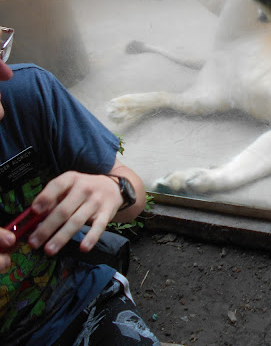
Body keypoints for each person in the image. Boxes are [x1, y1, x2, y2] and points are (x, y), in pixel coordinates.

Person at [0, 26, 164, 346]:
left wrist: (116, 189)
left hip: (71, 304)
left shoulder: (29, 92)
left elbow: (132, 194)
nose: (4, 72)